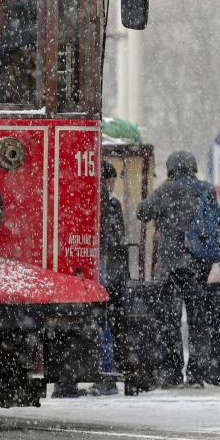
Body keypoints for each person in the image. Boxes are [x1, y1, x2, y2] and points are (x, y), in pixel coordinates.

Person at [135, 150, 220, 387]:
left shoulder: (166, 190)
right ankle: (197, 374)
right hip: (198, 265)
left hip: (170, 266)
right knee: (198, 322)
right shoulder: (206, 190)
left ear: (171, 168)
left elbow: (142, 212)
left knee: (169, 321)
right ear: (193, 167)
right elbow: (216, 224)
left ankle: (172, 373)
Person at [88, 159, 129, 395]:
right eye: (112, 180)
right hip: (104, 265)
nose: (113, 184)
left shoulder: (91, 196)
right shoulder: (109, 203)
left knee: (97, 318)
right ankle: (107, 373)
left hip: (93, 263)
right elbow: (117, 240)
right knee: (102, 318)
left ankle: (103, 373)